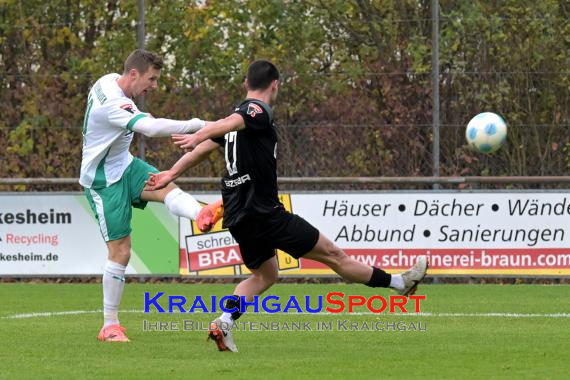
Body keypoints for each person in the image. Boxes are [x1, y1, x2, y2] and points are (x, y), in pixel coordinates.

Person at [144, 59, 428, 352]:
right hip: (265, 214)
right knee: (334, 255)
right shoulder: (257, 111)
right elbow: (227, 126)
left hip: (240, 218)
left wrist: (171, 173)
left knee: (265, 275)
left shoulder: (232, 122)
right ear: (275, 84)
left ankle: (225, 322)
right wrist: (199, 134)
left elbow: (204, 148)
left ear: (245, 83)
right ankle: (399, 284)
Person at [80, 49, 221, 343]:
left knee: (164, 184)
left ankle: (202, 215)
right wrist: (200, 125)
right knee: (121, 251)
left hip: (126, 166)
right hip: (103, 181)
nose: (154, 86)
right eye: (152, 79)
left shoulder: (108, 80)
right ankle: (109, 326)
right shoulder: (113, 104)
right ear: (134, 74)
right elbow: (152, 127)